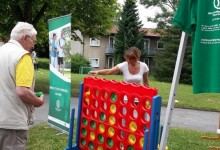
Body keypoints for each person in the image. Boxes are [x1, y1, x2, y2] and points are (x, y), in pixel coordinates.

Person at [0, 22, 44, 149]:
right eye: (33, 42)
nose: (33, 46)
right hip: (11, 124)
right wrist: (38, 101)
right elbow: (22, 92)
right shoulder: (22, 56)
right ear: (26, 37)